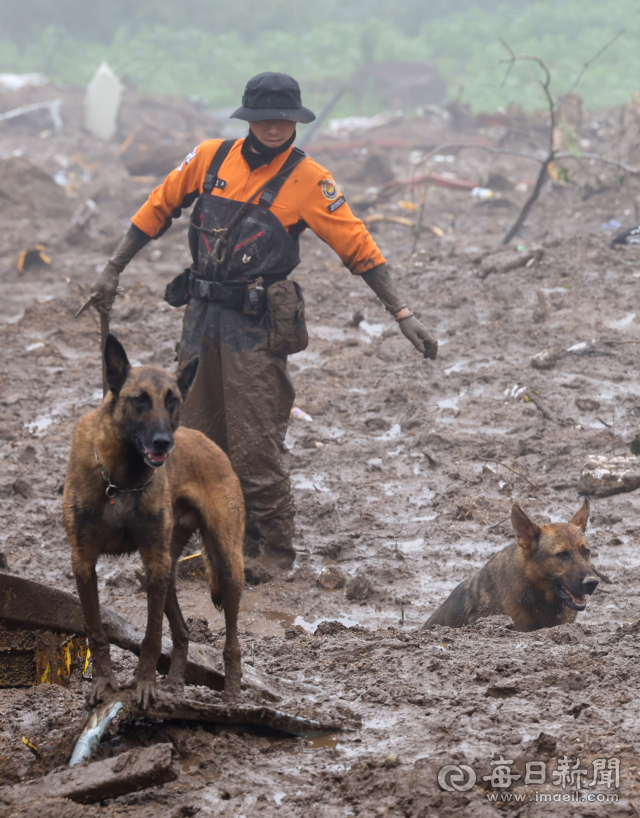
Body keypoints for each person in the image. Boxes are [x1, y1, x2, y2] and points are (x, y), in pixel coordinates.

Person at [89, 72, 438, 568]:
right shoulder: (210, 158)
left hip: (253, 327)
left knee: (254, 447)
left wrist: (402, 313)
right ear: (248, 119)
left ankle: (272, 551)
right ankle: (196, 540)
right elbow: (158, 206)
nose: (274, 128)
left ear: (294, 120)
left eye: (283, 119)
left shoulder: (310, 180)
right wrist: (112, 269)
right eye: (263, 118)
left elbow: (358, 247)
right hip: (201, 318)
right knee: (192, 438)